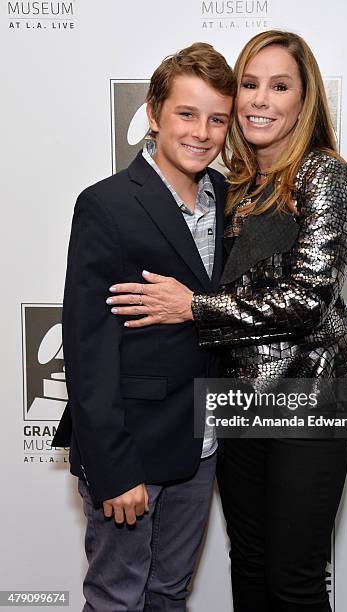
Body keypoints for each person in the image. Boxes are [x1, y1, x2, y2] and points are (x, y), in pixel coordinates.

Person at [107, 30, 347, 612]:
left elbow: (306, 298)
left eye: (280, 86)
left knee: (293, 576)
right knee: (247, 561)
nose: (260, 100)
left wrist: (193, 308)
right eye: (249, 85)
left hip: (311, 395)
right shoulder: (233, 186)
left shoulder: (323, 174)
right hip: (238, 399)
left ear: (305, 101)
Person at [51, 42, 235, 612]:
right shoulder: (107, 205)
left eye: (217, 119)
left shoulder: (231, 199)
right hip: (130, 450)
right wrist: (113, 469)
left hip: (200, 448)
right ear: (153, 114)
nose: (201, 132)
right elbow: (88, 348)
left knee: (169, 595)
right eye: (186, 113)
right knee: (116, 597)